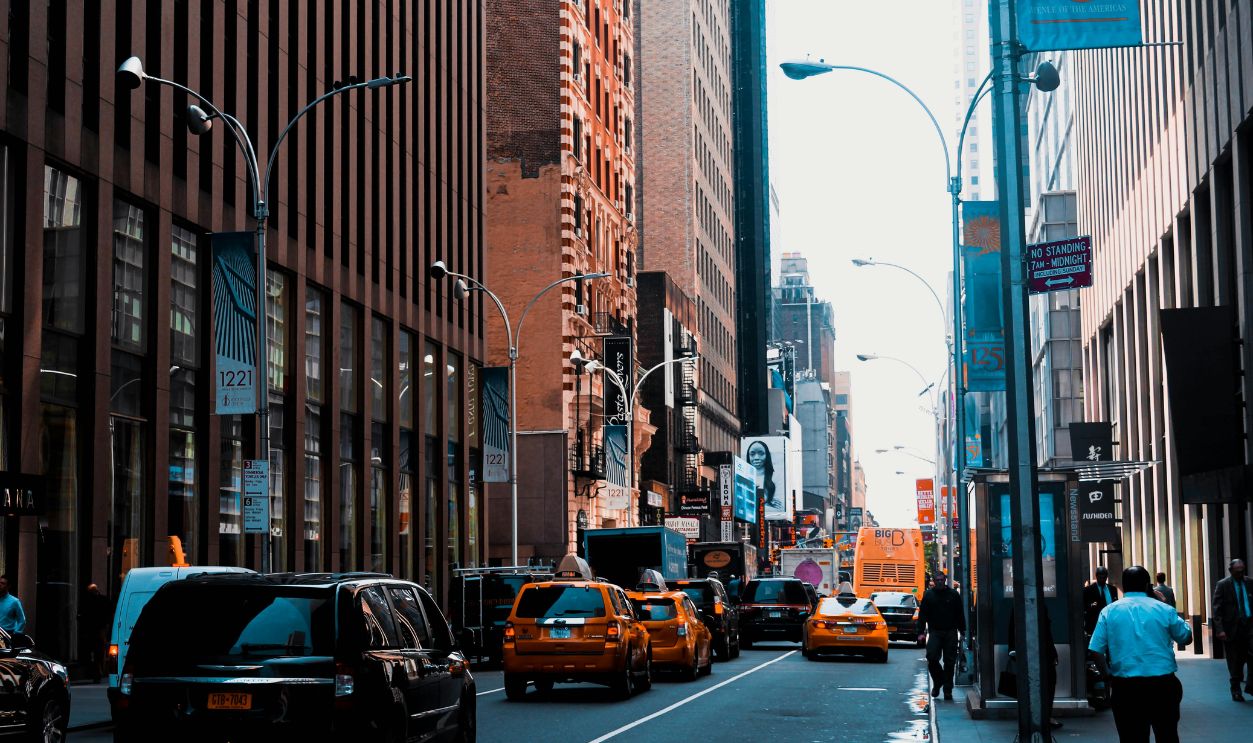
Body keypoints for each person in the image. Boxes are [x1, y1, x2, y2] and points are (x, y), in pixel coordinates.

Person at [1089, 565, 1192, 742]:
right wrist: (1165, 605)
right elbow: (1186, 637)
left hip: (1126, 687)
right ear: (1147, 586)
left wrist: (1107, 676)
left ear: (1124, 585)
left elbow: (1096, 650)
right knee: (1167, 734)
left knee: (1131, 737)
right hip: (1162, 685)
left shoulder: (1109, 611)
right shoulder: (1164, 609)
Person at [1007, 604, 1061, 730]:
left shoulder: (1019, 604)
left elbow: (1012, 629)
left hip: (1034, 649)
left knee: (1042, 682)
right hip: (1038, 649)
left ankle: (1039, 716)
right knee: (1048, 682)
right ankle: (1044, 715)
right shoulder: (1038, 605)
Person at [918, 572, 964, 700]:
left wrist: (963, 631)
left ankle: (947, 690)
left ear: (945, 580)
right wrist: (920, 632)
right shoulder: (928, 595)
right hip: (935, 632)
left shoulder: (954, 595)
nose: (939, 582)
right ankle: (938, 681)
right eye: (937, 580)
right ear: (933, 581)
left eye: (941, 580)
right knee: (931, 657)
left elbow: (960, 614)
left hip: (951, 632)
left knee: (950, 662)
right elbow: (922, 615)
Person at [1211, 558, 1253, 701]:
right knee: (1235, 661)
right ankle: (1235, 689)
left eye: (1242, 569)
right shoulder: (1223, 585)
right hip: (1232, 629)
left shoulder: (1250, 582)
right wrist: (1220, 629)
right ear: (1231, 570)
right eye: (1237, 570)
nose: (1240, 572)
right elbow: (1217, 609)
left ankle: (1251, 686)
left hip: (1250, 626)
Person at [78, 583, 112, 682]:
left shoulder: (87, 601)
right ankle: (98, 672)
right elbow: (109, 613)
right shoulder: (103, 600)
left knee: (93, 652)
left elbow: (81, 615)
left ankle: (95, 672)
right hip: (99, 630)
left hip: (92, 630)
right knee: (99, 653)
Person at [1083, 565, 1119, 635]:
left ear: (1107, 576)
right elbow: (1084, 606)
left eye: (1104, 576)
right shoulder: (1088, 590)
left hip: (1110, 624)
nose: (1102, 578)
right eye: (1100, 576)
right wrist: (1091, 605)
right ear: (1096, 576)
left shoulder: (1113, 589)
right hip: (1094, 625)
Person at [745, 440, 780, 511]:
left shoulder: (776, 477)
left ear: (767, 455)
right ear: (748, 457)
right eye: (752, 454)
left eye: (761, 453)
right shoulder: (744, 477)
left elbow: (779, 509)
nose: (756, 457)